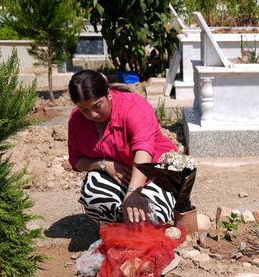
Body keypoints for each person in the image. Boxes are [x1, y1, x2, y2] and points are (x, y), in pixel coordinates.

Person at [67, 70, 177, 225]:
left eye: (97, 106)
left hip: (155, 170)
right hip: (120, 177)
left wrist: (133, 192)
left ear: (108, 94)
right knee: (93, 194)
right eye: (84, 109)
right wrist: (104, 164)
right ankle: (120, 226)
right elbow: (76, 160)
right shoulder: (77, 120)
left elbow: (144, 150)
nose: (92, 114)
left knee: (152, 216)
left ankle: (151, 218)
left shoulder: (134, 106)